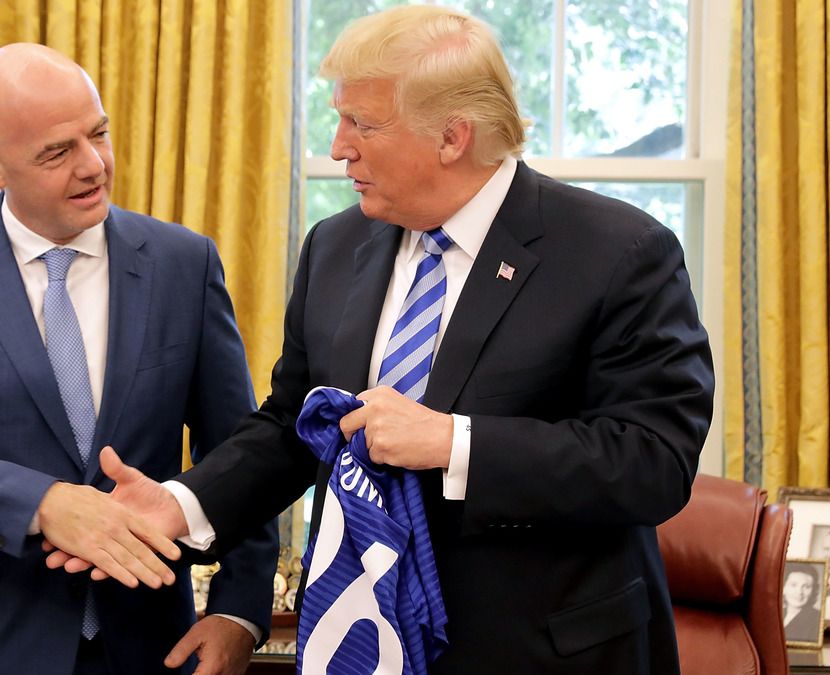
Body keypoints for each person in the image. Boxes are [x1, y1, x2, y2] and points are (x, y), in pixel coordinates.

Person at [54, 5, 715, 674]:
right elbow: (293, 427)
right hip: (357, 642)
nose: (339, 146)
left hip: (539, 653)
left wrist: (454, 443)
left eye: (362, 124)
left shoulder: (617, 252)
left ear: (453, 137)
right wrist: (182, 503)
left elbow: (654, 462)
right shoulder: (335, 246)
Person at [0, 43, 277, 675]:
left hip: (152, 646)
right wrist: (41, 504)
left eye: (98, 134)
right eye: (57, 152)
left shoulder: (185, 264)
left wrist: (239, 612)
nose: (93, 165)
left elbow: (241, 453)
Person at [783, 563, 823, 643]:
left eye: (806, 587)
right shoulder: (775, 614)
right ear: (783, 587)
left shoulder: (817, 619)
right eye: (793, 585)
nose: (799, 592)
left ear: (813, 591)